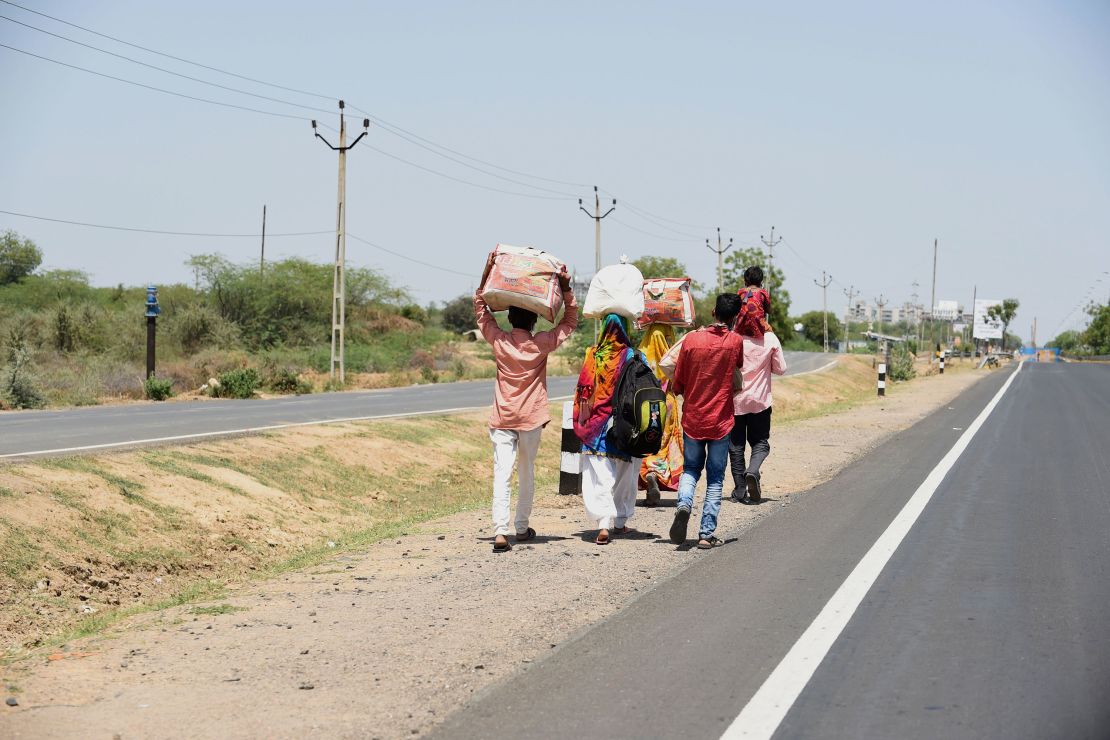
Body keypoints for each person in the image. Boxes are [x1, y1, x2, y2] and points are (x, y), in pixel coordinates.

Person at [474, 264, 578, 553]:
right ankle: (521, 527)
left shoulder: (499, 342)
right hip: (530, 419)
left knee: (501, 473)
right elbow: (570, 322)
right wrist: (566, 289)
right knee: (526, 471)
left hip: (503, 417)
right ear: (534, 321)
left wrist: (488, 272)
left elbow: (480, 308)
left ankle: (499, 532)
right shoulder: (540, 344)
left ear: (509, 319)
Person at [669, 294, 744, 549]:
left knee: (690, 469)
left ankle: (683, 505)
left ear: (713, 311)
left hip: (694, 418)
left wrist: (681, 389)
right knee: (715, 479)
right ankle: (706, 534)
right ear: (734, 317)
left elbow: (678, 379)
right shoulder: (735, 341)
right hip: (721, 420)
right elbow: (738, 367)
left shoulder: (691, 339)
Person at [574, 314, 640, 545]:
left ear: (603, 329)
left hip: (596, 426)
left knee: (599, 477)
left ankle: (603, 524)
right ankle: (620, 522)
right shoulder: (632, 356)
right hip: (624, 425)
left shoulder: (593, 354)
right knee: (625, 475)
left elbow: (584, 389)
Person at [729, 326, 787, 504]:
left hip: (735, 401)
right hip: (760, 402)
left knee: (736, 446)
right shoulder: (770, 338)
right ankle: (753, 471)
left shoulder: (732, 337)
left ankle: (739, 491)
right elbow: (780, 368)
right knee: (760, 443)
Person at [637, 323, 683, 505]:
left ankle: (649, 475)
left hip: (646, 404)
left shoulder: (640, 354)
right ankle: (656, 473)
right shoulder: (670, 355)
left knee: (647, 440)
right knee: (663, 442)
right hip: (667, 404)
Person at [736, 265, 773, 338]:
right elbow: (770, 311)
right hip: (759, 331)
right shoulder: (762, 293)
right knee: (771, 334)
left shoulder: (740, 292)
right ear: (761, 281)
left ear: (745, 280)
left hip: (740, 330)